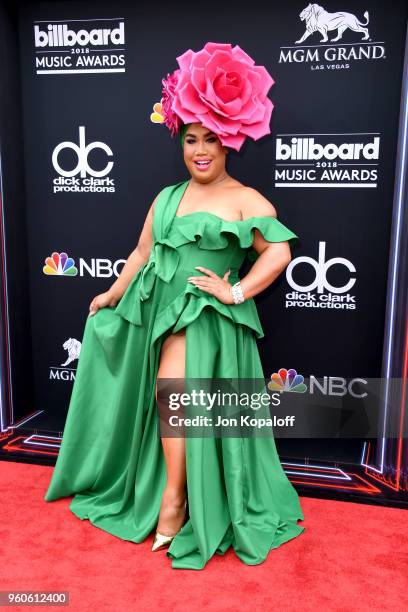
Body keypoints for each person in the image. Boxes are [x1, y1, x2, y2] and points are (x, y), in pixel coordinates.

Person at [44, 41, 305, 570]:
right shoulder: (166, 197)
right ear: (181, 143)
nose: (200, 149)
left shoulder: (246, 199)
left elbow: (278, 251)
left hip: (205, 321)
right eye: (191, 139)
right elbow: (142, 252)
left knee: (175, 394)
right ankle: (172, 492)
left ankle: (175, 500)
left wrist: (235, 291)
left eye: (211, 139)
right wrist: (114, 294)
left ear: (230, 142)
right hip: (155, 314)